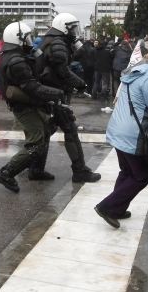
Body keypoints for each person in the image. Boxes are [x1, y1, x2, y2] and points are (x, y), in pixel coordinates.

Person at [94, 46, 148, 228]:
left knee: (127, 172)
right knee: (141, 176)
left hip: (120, 128)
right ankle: (107, 207)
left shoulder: (138, 70)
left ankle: (117, 208)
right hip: (134, 133)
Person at [0, 22, 64, 192]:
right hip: (24, 106)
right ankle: (6, 172)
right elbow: (32, 87)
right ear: (18, 39)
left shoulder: (13, 55)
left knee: (47, 129)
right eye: (27, 38)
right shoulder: (16, 60)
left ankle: (37, 170)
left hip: (29, 103)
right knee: (36, 144)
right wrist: (57, 93)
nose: (30, 41)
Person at [37, 13, 101, 182]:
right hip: (56, 93)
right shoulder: (58, 42)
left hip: (50, 93)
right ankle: (79, 171)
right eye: (72, 27)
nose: (75, 31)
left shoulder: (53, 40)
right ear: (64, 27)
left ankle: (35, 168)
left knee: (46, 131)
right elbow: (62, 71)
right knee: (70, 131)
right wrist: (80, 83)